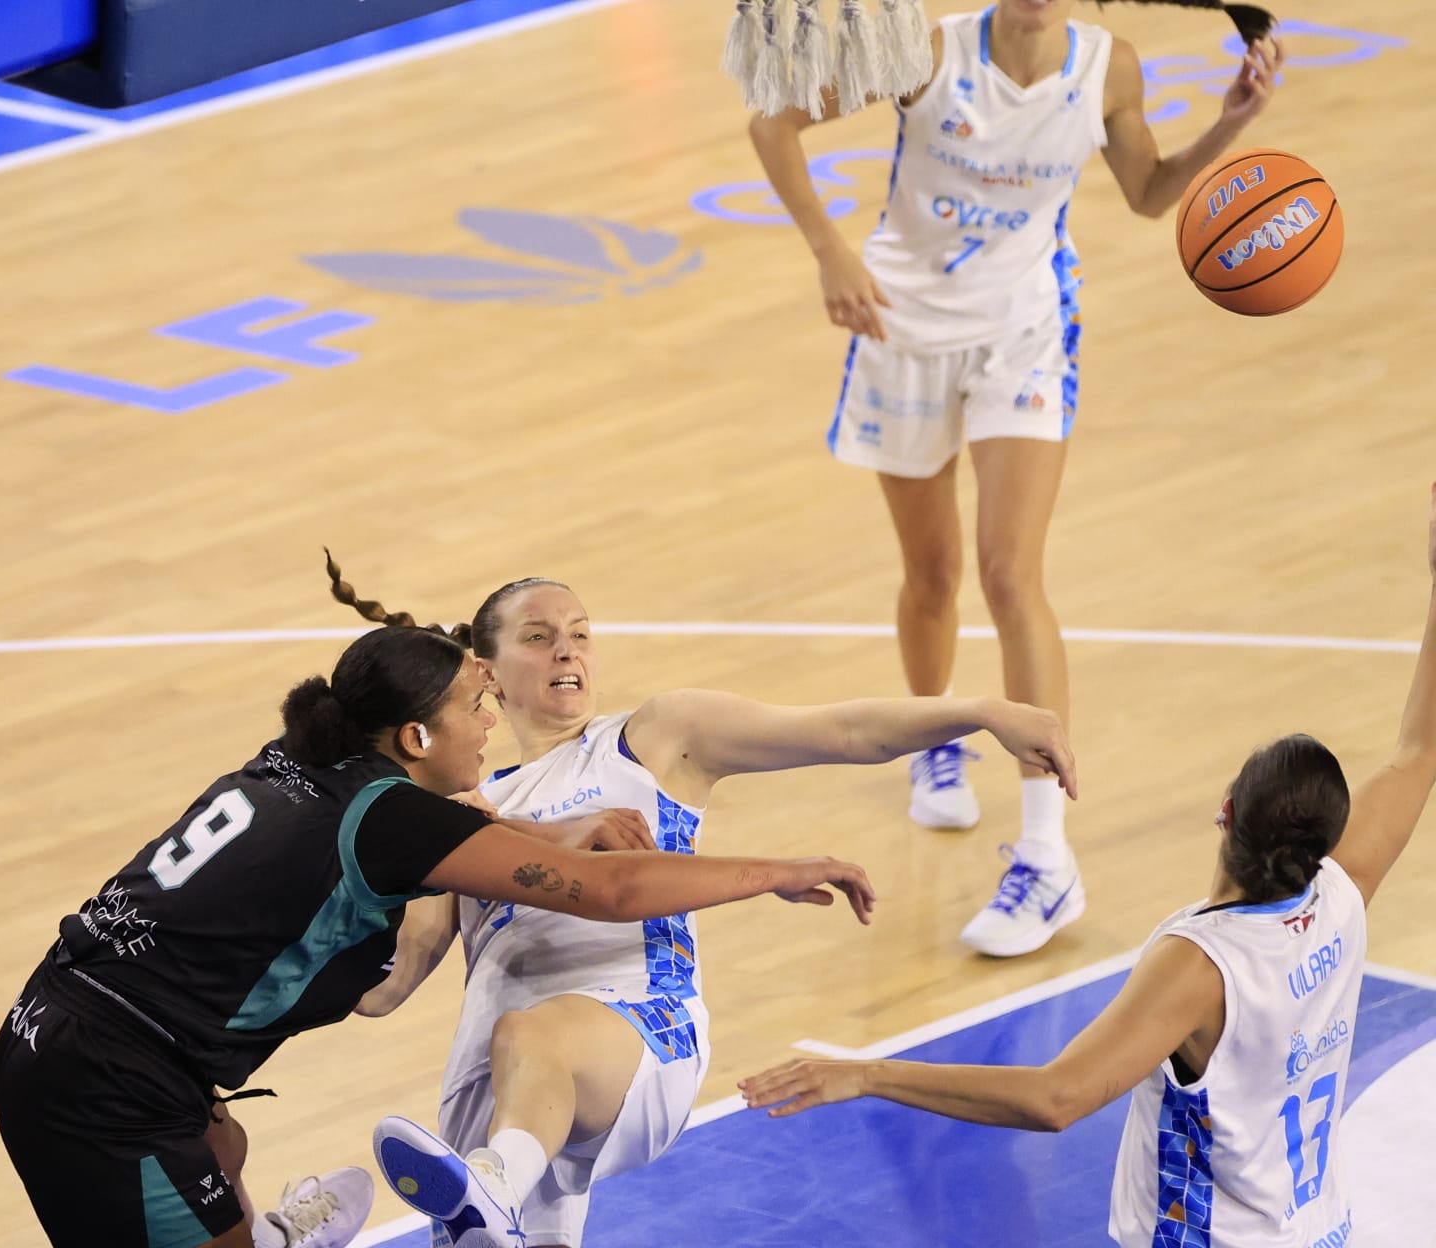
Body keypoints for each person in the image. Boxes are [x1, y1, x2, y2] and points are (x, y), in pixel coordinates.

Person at [0, 623, 879, 1248]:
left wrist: (551, 832)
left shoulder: (300, 761)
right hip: (106, 1085)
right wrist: (782, 869)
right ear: (416, 735)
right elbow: (615, 892)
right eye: (475, 708)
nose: (491, 723)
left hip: (72, 1027)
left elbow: (424, 834)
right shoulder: (391, 821)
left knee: (225, 1149)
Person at [740, 485, 1436, 1246]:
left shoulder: (1202, 966)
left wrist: (867, 1074)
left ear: (1225, 811)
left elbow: (1056, 1098)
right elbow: (1421, 749)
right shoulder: (1341, 893)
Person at [323, 561, 1075, 1248]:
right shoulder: (469, 805)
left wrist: (981, 709)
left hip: (636, 1027)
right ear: (487, 669)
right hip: (495, 1082)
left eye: (581, 636)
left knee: (531, 1038)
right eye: (541, 637)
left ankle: (494, 1183)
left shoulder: (655, 737)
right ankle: (494, 1184)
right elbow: (386, 984)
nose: (568, 652)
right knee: (514, 1107)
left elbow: (846, 730)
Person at [746, 0, 1283, 955]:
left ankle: (1048, 854)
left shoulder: (1107, 67)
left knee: (1009, 574)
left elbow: (1151, 192)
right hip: (900, 325)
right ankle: (934, 743)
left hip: (1026, 335)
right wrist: (829, 251)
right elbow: (772, 122)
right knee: (933, 576)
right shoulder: (923, 52)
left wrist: (1232, 121)